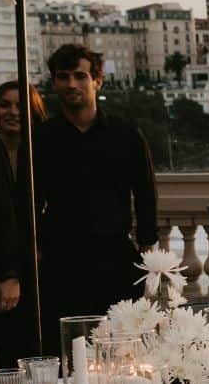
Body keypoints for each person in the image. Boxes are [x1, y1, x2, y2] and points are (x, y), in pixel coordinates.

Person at [30, 44, 157, 355]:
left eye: (80, 76)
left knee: (122, 346)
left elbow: (145, 191)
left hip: (114, 256)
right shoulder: (42, 139)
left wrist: (148, 246)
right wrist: (32, 245)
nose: (71, 84)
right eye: (63, 77)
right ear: (54, 81)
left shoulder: (125, 134)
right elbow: (30, 199)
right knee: (66, 348)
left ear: (97, 80)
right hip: (60, 259)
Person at [0, 80, 42, 366]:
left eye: (21, 105)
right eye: (4, 104)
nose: (13, 111)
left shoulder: (42, 153)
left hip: (34, 265)